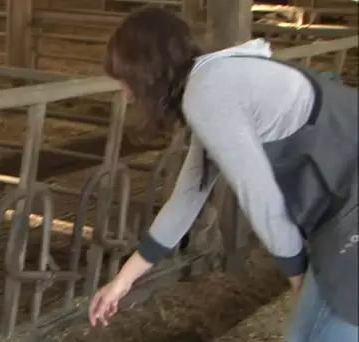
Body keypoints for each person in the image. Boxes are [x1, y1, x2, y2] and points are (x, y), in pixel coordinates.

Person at [88, 6, 358, 342]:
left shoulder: (208, 94)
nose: (127, 95)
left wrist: (297, 277)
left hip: (350, 208)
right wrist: (122, 282)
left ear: (148, 71)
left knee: (315, 332)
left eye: (127, 80)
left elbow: (261, 199)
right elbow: (187, 197)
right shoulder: (212, 82)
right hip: (345, 204)